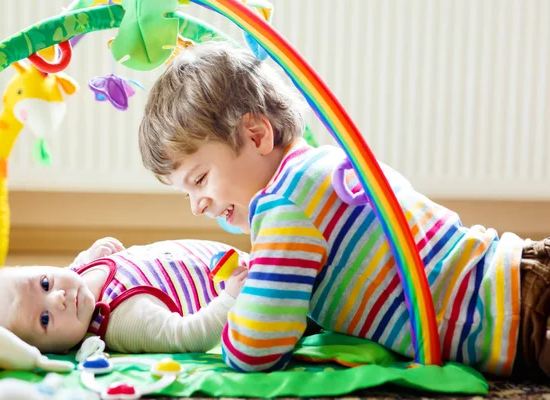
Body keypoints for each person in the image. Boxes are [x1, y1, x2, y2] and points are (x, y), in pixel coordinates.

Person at [137, 41, 550, 378]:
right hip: (518, 279)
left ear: (257, 134)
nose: (196, 206)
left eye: (199, 179)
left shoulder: (285, 206)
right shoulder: (318, 168)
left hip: (516, 314)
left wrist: (234, 311)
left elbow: (254, 348)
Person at [0, 237, 248, 354]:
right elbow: (189, 335)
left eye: (44, 283)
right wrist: (232, 299)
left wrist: (90, 254)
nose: (57, 298)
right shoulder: (123, 321)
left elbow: (69, 269)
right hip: (241, 285)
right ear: (60, 350)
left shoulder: (76, 274)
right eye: (44, 319)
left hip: (226, 256)